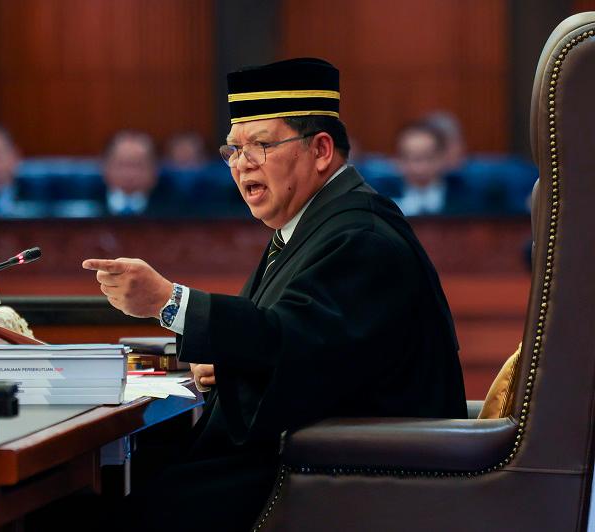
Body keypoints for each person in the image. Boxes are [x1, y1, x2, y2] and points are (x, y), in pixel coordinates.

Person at [83, 58, 466, 531]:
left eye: (261, 145)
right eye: (233, 151)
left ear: (321, 150)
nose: (242, 164)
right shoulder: (315, 222)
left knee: (88, 508)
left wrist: (172, 301)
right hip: (302, 461)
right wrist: (233, 362)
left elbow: (292, 340)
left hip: (338, 477)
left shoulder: (360, 237)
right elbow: (316, 352)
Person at [393, 120, 475, 215]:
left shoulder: (465, 195)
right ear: (397, 160)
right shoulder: (382, 199)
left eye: (428, 157)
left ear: (442, 157)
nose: (419, 168)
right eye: (411, 158)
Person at [101, 130, 170, 216]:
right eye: (122, 165)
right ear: (106, 168)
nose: (129, 174)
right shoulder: (86, 208)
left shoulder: (172, 212)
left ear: (154, 170)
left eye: (138, 165)